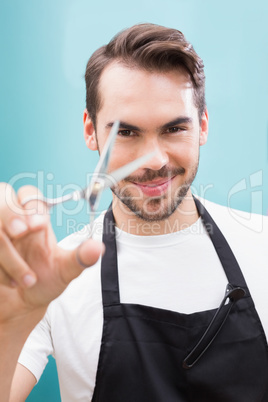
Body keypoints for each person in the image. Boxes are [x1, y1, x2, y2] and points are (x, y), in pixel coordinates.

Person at [1, 23, 268, 402]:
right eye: (126, 133)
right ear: (91, 130)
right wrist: (7, 326)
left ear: (203, 125)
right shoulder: (49, 278)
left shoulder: (264, 247)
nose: (155, 160)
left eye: (174, 128)